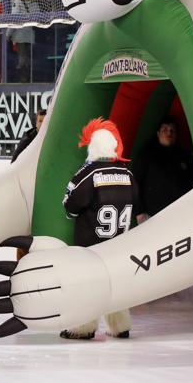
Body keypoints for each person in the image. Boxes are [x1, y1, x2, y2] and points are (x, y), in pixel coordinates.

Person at [62, 119, 141, 340]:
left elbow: (70, 205)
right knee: (115, 283)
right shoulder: (128, 174)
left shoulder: (88, 174)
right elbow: (136, 202)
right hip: (118, 242)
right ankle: (120, 325)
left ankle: (83, 327)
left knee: (88, 283)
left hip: (92, 243)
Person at [133, 117, 193, 221]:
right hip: (153, 216)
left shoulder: (185, 156)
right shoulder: (146, 155)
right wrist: (139, 212)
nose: (169, 133)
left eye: (172, 130)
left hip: (181, 214)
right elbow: (135, 183)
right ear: (158, 133)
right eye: (165, 130)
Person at [6, 0, 40, 83]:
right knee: (27, 56)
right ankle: (29, 76)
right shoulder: (33, 3)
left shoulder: (17, 2)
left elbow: (14, 19)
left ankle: (23, 78)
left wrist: (8, 34)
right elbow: (38, 16)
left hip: (19, 34)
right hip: (30, 34)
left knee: (21, 56)